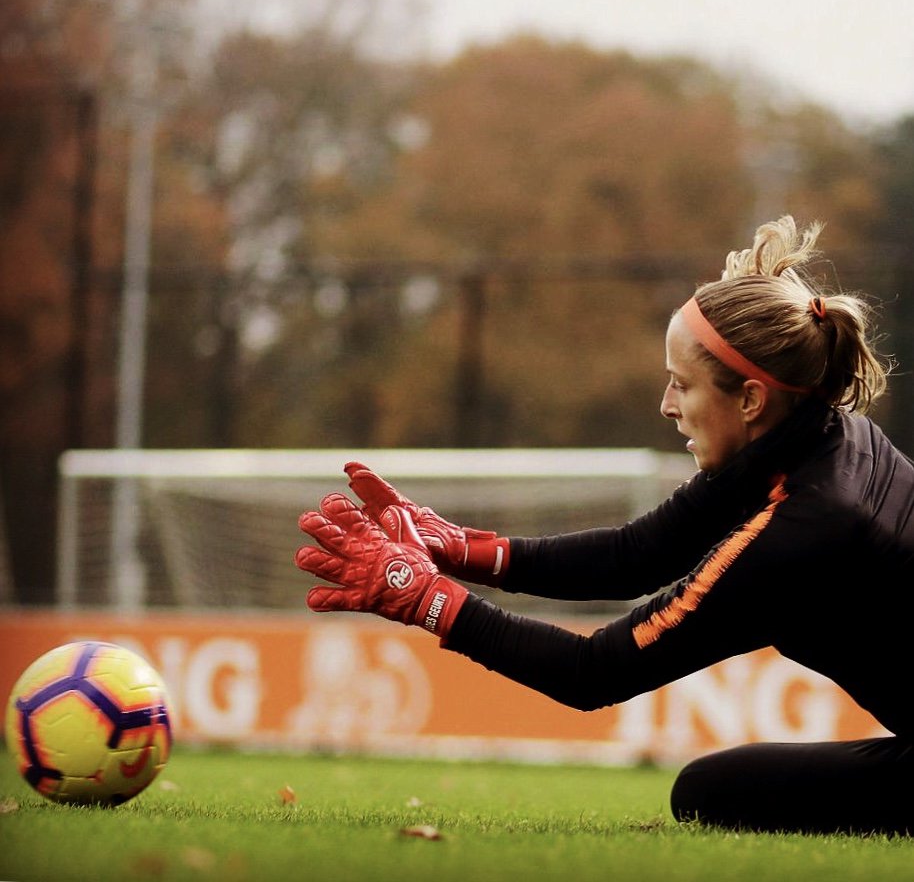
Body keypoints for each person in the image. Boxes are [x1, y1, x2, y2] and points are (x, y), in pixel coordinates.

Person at [294, 215, 914, 836]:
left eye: (682, 385)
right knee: (715, 789)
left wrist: (428, 600)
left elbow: (594, 672)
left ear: (751, 399)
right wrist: (459, 549)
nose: (666, 405)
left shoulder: (809, 525)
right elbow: (635, 555)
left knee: (716, 793)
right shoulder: (822, 438)